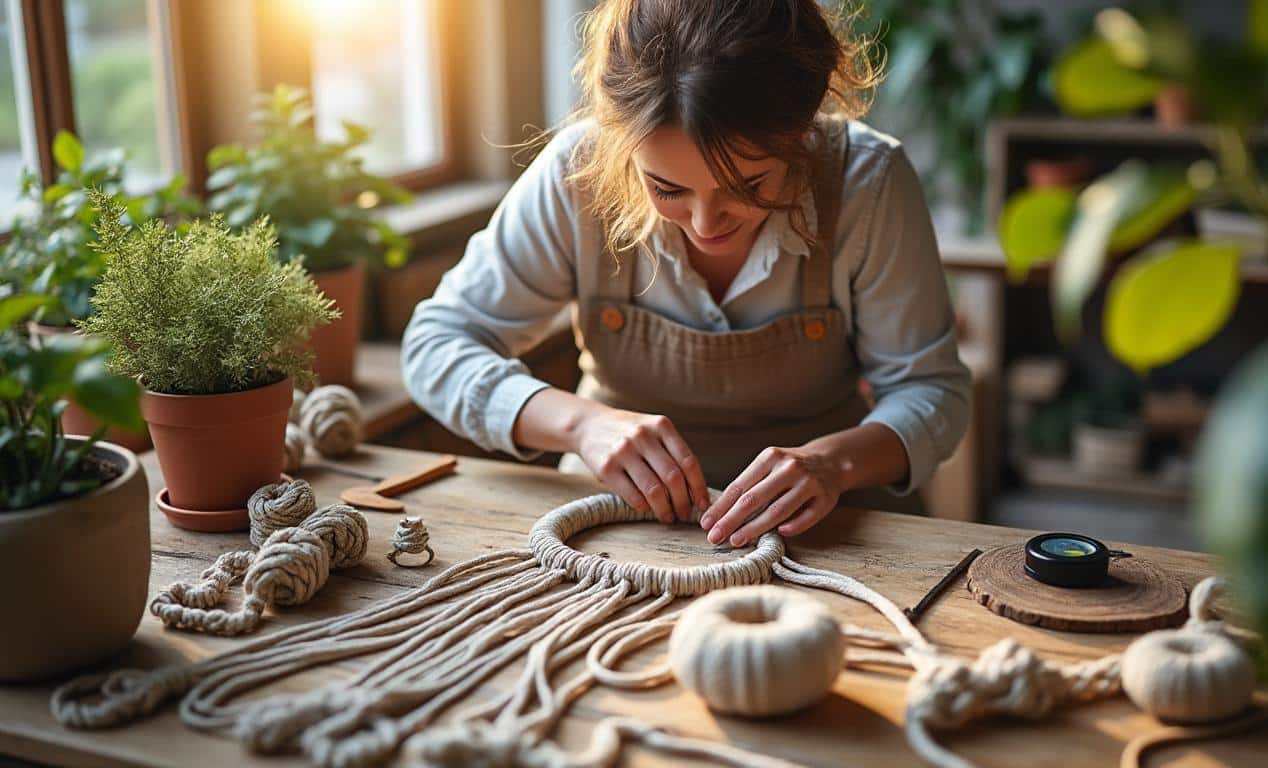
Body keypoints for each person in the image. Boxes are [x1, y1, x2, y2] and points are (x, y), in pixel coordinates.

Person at [402, 0, 970, 548]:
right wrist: (581, 426)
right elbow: (436, 345)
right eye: (666, 188)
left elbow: (930, 392)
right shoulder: (576, 173)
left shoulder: (868, 183)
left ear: (801, 130)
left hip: (832, 531)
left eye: (749, 186)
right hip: (609, 526)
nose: (704, 224)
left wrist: (831, 463)